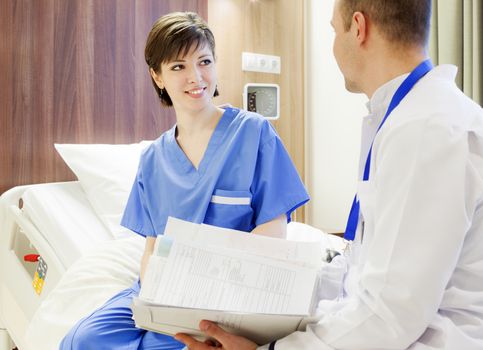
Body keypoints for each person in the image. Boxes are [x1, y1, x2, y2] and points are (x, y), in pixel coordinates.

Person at [175, 0, 483, 349]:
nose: (334, 45)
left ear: (358, 27)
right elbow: (359, 271)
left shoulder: (426, 129)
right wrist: (256, 303)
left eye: (334, 31)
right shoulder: (406, 118)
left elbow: (387, 315)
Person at [59, 12, 309, 350]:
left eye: (204, 61)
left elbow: (273, 232)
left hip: (228, 291)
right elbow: (151, 248)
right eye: (178, 67)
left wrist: (217, 295)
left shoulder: (252, 133)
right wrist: (156, 300)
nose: (196, 77)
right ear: (157, 76)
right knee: (82, 341)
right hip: (165, 287)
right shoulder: (153, 159)